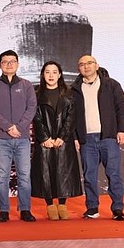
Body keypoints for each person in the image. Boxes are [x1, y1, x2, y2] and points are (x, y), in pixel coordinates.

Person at [71, 55, 124, 221]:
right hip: (86, 139)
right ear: (79, 69)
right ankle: (92, 207)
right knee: (89, 176)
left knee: (114, 174)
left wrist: (122, 130)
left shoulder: (111, 84)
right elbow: (71, 115)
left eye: (89, 63)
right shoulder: (74, 89)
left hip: (108, 136)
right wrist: (75, 137)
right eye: (82, 64)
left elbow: (121, 108)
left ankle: (117, 208)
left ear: (96, 66)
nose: (86, 66)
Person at [0, 50, 37, 222]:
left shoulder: (26, 85)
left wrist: (19, 127)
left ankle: (25, 209)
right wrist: (7, 127)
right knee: (2, 177)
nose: (9, 64)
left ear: (18, 64)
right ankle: (4, 210)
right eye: (5, 62)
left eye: (12, 61)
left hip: (22, 138)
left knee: (24, 176)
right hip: (2, 139)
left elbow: (31, 108)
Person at [31, 61, 82, 220]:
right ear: (43, 75)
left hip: (63, 140)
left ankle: (62, 204)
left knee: (63, 172)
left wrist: (62, 137)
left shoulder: (69, 93)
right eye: (47, 72)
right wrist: (44, 138)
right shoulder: (36, 93)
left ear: (60, 74)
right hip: (44, 141)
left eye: (54, 72)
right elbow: (35, 117)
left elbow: (72, 117)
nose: (51, 75)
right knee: (45, 173)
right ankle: (50, 205)